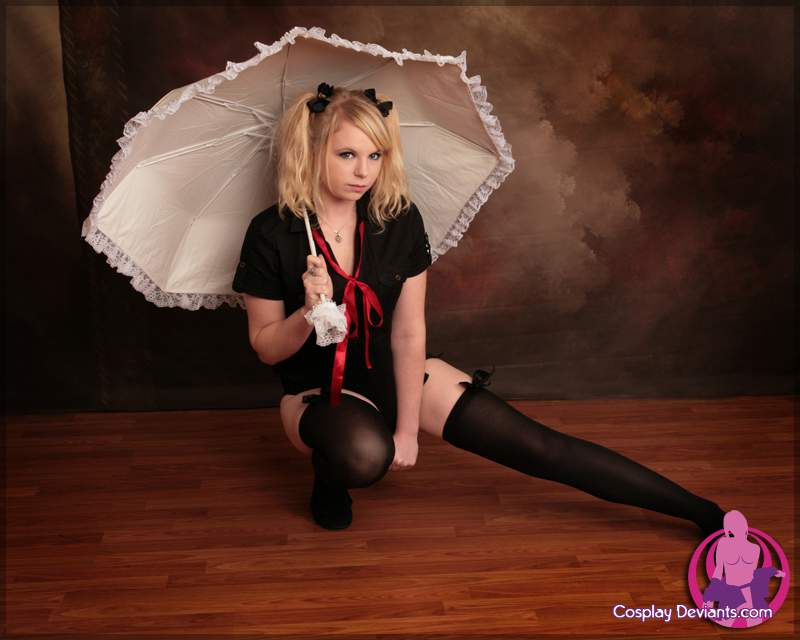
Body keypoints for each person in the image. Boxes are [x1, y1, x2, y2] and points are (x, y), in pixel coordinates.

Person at [232, 82, 726, 533]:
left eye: (375, 155)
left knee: (537, 445)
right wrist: (308, 312)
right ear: (311, 151)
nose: (364, 172)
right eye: (347, 155)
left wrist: (408, 429)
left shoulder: (396, 218)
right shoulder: (272, 233)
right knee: (364, 455)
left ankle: (705, 514)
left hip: (393, 371)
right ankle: (330, 477)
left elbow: (408, 333)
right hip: (319, 390)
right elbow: (266, 348)